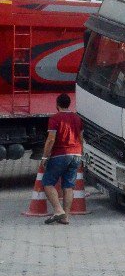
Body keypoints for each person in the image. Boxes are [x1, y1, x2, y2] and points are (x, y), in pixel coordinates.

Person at [40, 93, 84, 225]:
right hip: (76, 154)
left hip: (60, 154)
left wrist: (45, 156)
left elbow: (51, 139)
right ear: (69, 104)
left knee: (47, 183)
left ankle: (58, 210)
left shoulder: (55, 118)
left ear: (57, 104)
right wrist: (80, 152)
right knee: (68, 186)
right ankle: (66, 218)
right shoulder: (77, 118)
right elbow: (81, 138)